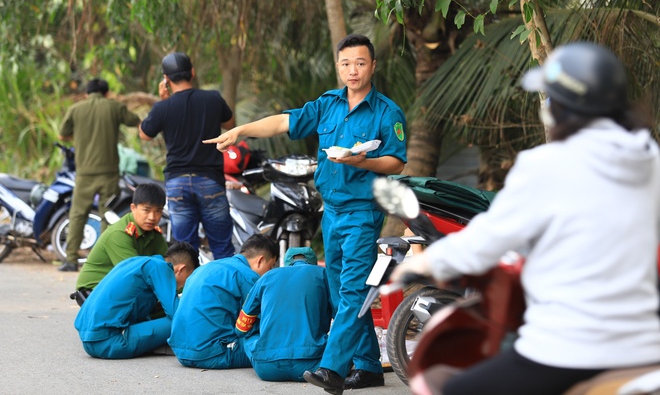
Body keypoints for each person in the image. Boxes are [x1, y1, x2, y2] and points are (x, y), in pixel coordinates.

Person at [391, 42, 660, 395]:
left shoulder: (546, 166)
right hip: (643, 350)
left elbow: (483, 242)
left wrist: (429, 263)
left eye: (550, 98)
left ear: (564, 106)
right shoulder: (649, 161)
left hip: (567, 349)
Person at [204, 34, 407, 394]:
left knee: (352, 288)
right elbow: (283, 122)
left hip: (362, 211)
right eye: (345, 63)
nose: (352, 70)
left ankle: (332, 368)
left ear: (373, 66)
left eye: (360, 63)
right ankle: (370, 366)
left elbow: (395, 161)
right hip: (332, 212)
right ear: (338, 67)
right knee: (338, 288)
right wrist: (239, 131)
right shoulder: (327, 104)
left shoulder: (387, 112)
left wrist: (364, 160)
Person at [138, 52, 236, 260]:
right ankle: (227, 289)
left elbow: (144, 134)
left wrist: (164, 101)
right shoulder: (213, 99)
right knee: (222, 247)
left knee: (184, 250)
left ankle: (187, 292)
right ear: (192, 72)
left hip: (177, 183)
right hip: (210, 181)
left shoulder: (163, 107)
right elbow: (230, 125)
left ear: (166, 79)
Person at [58, 78, 141, 271]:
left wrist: (79, 136)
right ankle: (103, 261)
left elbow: (62, 135)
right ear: (106, 93)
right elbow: (135, 121)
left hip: (84, 173)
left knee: (78, 214)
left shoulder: (76, 109)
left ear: (87, 93)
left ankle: (70, 259)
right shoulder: (114, 107)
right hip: (109, 173)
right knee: (107, 215)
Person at [167, 234, 279, 369]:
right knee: (274, 345)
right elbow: (268, 321)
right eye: (271, 266)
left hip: (181, 352)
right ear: (260, 260)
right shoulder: (247, 276)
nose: (269, 272)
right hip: (212, 353)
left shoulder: (205, 268)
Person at [74, 242, 199, 359]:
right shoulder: (160, 268)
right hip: (110, 342)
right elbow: (176, 314)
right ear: (181, 269)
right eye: (187, 280)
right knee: (183, 320)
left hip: (87, 342)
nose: (183, 286)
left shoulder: (137, 262)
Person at [235, 247, 333, 382]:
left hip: (267, 368)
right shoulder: (323, 274)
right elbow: (343, 316)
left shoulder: (266, 277)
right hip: (313, 365)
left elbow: (241, 329)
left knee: (249, 336)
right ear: (313, 262)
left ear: (286, 263)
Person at [72, 183, 168, 304]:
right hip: (95, 291)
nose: (152, 217)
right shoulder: (119, 234)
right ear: (133, 208)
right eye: (146, 210)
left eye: (158, 211)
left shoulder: (155, 234)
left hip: (122, 287)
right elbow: (134, 274)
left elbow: (166, 266)